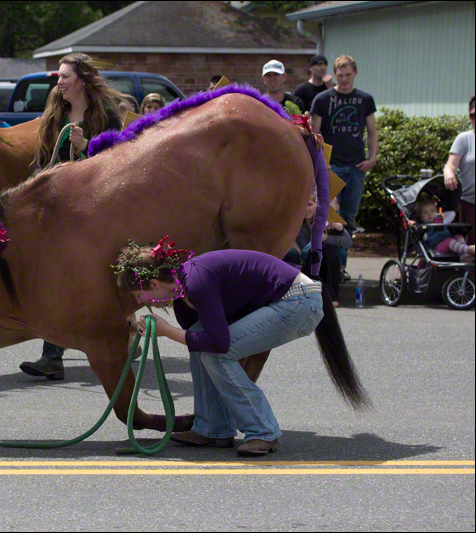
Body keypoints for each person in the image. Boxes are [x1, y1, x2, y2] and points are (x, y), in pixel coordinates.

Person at [114, 237, 326, 456]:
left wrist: (167, 331)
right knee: (200, 343)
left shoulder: (197, 281)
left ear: (155, 284)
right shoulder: (183, 295)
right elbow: (197, 340)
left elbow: (218, 343)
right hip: (286, 301)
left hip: (299, 302)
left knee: (216, 354)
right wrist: (167, 331)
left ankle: (263, 431)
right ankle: (213, 428)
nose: (140, 301)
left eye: (138, 294)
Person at [21, 52, 126, 380]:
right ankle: (52, 355)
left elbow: (118, 161)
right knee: (56, 277)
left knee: (95, 278)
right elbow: (42, 157)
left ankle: (117, 336)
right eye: (60, 77)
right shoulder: (55, 111)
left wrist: (85, 148)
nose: (60, 81)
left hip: (94, 207)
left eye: (65, 76)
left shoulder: (106, 115)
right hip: (58, 207)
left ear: (82, 79)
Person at [311, 55, 377, 279]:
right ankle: (325, 267)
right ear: (334, 75)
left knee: (348, 217)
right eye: (340, 75)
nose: (345, 79)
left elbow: (372, 132)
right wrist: (321, 165)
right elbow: (315, 135)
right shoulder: (323, 99)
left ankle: (341, 267)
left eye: (348, 75)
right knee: (330, 216)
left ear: (355, 73)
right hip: (332, 165)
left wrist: (373, 158)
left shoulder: (365, 99)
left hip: (357, 166)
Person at [287, 195, 350, 306]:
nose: (307, 209)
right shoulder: (299, 226)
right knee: (315, 254)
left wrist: (327, 238)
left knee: (329, 254)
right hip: (309, 260)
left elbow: (347, 241)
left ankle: (332, 297)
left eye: (310, 204)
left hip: (328, 261)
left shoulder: (328, 221)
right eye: (303, 205)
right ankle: (310, 295)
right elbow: (304, 250)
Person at [443, 96, 475, 245]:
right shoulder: (464, 139)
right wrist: (449, 174)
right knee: (469, 249)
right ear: (470, 117)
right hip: (468, 203)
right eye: (473, 115)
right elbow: (450, 165)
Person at [409, 198, 474, 262]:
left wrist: (441, 215)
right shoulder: (424, 227)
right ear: (420, 217)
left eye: (432, 211)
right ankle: (468, 249)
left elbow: (452, 213)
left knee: (459, 236)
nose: (429, 214)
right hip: (438, 246)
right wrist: (414, 226)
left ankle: (465, 257)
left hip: (450, 241)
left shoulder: (441, 221)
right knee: (449, 241)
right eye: (425, 212)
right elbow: (420, 235)